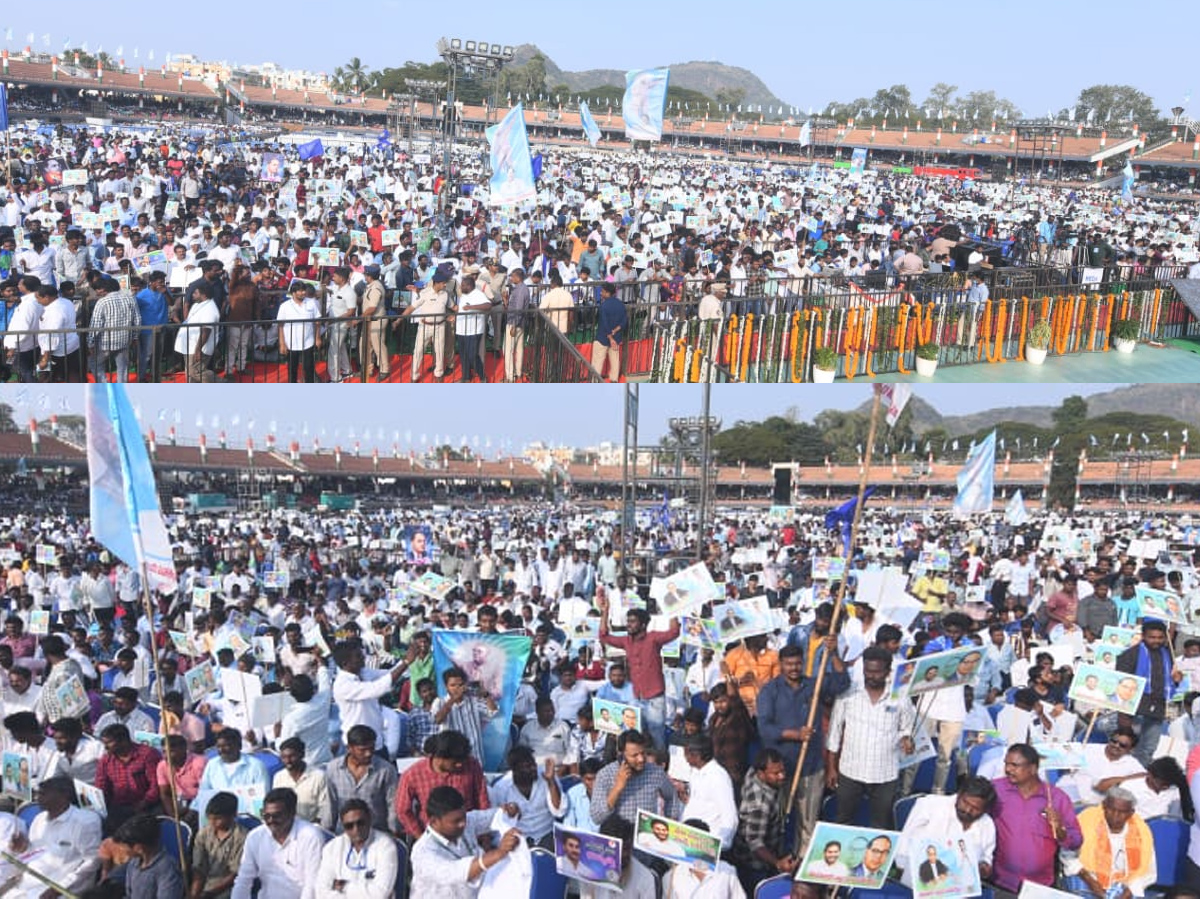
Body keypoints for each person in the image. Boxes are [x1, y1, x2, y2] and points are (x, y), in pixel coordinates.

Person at [758, 640, 848, 856]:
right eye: (789, 664)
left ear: (803, 663)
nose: (794, 668)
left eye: (798, 664)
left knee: (808, 824)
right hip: (781, 769)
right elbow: (764, 728)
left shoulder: (813, 685)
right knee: (778, 823)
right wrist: (794, 734)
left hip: (811, 767)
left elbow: (842, 681)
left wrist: (833, 652)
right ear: (780, 664)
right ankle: (779, 863)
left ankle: (802, 867)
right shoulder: (770, 691)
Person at [825, 645, 915, 830]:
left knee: (881, 824)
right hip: (851, 770)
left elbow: (906, 729)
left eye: (877, 672)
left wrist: (907, 739)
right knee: (843, 820)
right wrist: (831, 769)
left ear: (888, 672)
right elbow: (834, 733)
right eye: (868, 671)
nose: (872, 676)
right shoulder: (848, 694)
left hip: (885, 773)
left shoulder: (901, 697)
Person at [990, 742, 1082, 893]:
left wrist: (1060, 829)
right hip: (1001, 883)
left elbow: (1076, 841)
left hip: (1040, 887)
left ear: (1032, 769)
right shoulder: (996, 789)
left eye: (1014, 765)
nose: (1008, 769)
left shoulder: (1057, 798)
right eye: (1006, 764)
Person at [409, 785, 522, 899]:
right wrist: (499, 853)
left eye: (464, 817)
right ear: (434, 821)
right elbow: (456, 872)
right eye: (456, 821)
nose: (463, 824)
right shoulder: (423, 852)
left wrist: (510, 810)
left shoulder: (467, 822)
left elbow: (494, 816)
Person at [598, 595, 681, 748]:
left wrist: (672, 608)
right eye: (628, 621)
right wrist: (605, 611)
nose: (628, 625)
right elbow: (603, 636)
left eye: (632, 621)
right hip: (636, 697)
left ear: (643, 625)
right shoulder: (626, 641)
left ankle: (661, 766)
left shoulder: (653, 638)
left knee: (657, 737)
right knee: (635, 736)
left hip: (654, 698)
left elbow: (674, 632)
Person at [6, 777, 102, 897]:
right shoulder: (39, 819)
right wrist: (23, 848)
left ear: (64, 795)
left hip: (63, 890)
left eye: (43, 794)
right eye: (37, 793)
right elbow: (36, 853)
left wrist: (58, 889)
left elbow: (92, 861)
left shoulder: (86, 821)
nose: (37, 798)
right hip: (29, 884)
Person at [896, 777, 996, 889]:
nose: (968, 810)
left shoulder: (987, 824)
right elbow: (904, 845)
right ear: (959, 794)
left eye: (975, 808)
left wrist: (983, 868)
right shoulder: (930, 805)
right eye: (965, 803)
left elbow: (986, 859)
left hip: (960, 889)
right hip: (919, 885)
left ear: (985, 809)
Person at [1062, 787, 1156, 899]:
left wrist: (1128, 893)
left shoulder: (1141, 831)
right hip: (1085, 876)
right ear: (1104, 806)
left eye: (1121, 812)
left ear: (1131, 813)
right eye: (1111, 810)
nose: (1115, 816)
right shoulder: (1086, 820)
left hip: (1124, 883)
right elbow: (1068, 857)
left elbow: (1148, 872)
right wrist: (1091, 881)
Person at [231, 787, 325, 899]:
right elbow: (243, 880)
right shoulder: (255, 837)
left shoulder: (311, 836)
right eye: (266, 816)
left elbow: (312, 886)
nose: (271, 821)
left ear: (292, 813)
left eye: (277, 816)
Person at [395, 730, 491, 839]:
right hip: (433, 835)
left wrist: (484, 834)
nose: (460, 765)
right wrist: (420, 837)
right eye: (455, 762)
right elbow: (402, 810)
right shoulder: (412, 775)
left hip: (468, 832)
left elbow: (482, 799)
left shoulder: (472, 765)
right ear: (439, 757)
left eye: (462, 761)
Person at [1116, 619, 1183, 766]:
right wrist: (1124, 715)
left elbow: (1170, 681)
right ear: (1143, 636)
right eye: (1152, 637)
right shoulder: (1130, 654)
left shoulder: (1168, 654)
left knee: (1148, 748)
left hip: (1157, 707)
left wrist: (1177, 679)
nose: (1156, 641)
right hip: (1135, 708)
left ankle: (1139, 777)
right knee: (1126, 746)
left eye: (1160, 637)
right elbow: (1121, 683)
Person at [590, 729, 680, 830]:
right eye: (634, 755)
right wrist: (617, 788)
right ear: (621, 754)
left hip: (646, 837)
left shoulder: (655, 772)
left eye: (643, 753)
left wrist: (671, 822)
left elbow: (671, 797)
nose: (641, 759)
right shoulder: (605, 775)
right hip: (619, 836)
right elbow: (597, 818)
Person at [315, 799, 400, 899]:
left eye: (361, 823)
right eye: (349, 826)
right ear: (343, 827)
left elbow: (380, 894)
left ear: (369, 819)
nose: (356, 829)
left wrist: (344, 886)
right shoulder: (332, 848)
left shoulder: (386, 846)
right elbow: (321, 892)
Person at [326, 725, 399, 835]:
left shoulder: (386, 770)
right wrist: (327, 830)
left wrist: (393, 832)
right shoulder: (333, 769)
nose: (368, 753)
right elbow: (330, 803)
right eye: (362, 750)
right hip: (344, 833)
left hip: (376, 833)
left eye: (371, 748)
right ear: (349, 748)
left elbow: (392, 804)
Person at [488, 746, 564, 848]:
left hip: (548, 835)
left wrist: (551, 781)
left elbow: (559, 812)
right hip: (519, 839)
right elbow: (498, 823)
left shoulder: (547, 776)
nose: (534, 768)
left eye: (534, 764)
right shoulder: (501, 788)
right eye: (527, 766)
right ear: (515, 770)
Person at [679, 736, 738, 850]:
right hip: (690, 838)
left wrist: (720, 845)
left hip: (707, 844)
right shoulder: (696, 771)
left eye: (686, 754)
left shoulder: (718, 777)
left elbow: (729, 815)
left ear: (697, 756)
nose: (685, 758)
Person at [109, 813, 186, 899]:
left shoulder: (167, 869)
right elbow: (129, 895)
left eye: (124, 846)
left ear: (138, 848)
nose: (122, 850)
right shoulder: (134, 864)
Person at [581, 815, 657, 900]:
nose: (623, 854)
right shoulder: (589, 873)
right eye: (617, 850)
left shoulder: (645, 878)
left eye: (626, 848)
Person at [197, 728, 270, 817]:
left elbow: (264, 796)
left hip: (248, 817)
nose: (222, 750)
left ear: (239, 745)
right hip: (219, 817)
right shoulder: (212, 765)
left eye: (226, 745)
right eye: (219, 746)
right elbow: (204, 794)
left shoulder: (256, 765)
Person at [190, 792, 249, 900]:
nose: (212, 822)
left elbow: (235, 874)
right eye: (209, 818)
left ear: (233, 815)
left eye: (217, 818)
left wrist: (209, 894)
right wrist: (195, 894)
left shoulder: (242, 837)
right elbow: (199, 868)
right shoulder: (203, 834)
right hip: (205, 885)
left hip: (230, 887)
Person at [274, 736, 334, 830]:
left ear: (302, 754)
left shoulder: (318, 776)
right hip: (286, 829)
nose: (288, 761)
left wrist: (310, 829)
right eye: (284, 757)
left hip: (313, 828)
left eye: (292, 756)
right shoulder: (279, 777)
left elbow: (324, 810)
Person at [277, 281, 322, 383]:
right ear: (293, 293)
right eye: (300, 291)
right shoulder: (284, 306)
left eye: (303, 290)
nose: (303, 293)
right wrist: (282, 343)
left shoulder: (311, 303)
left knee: (309, 368)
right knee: (292, 369)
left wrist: (317, 338)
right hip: (291, 342)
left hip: (308, 341)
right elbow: (280, 325)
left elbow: (318, 322)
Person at [592, 282, 626, 382]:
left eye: (602, 292)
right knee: (615, 362)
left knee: (597, 363)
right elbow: (624, 322)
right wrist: (615, 331)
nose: (600, 293)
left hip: (603, 338)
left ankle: (595, 382)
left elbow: (604, 323)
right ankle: (614, 381)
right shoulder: (621, 304)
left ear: (607, 293)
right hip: (616, 338)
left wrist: (610, 338)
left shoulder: (604, 306)